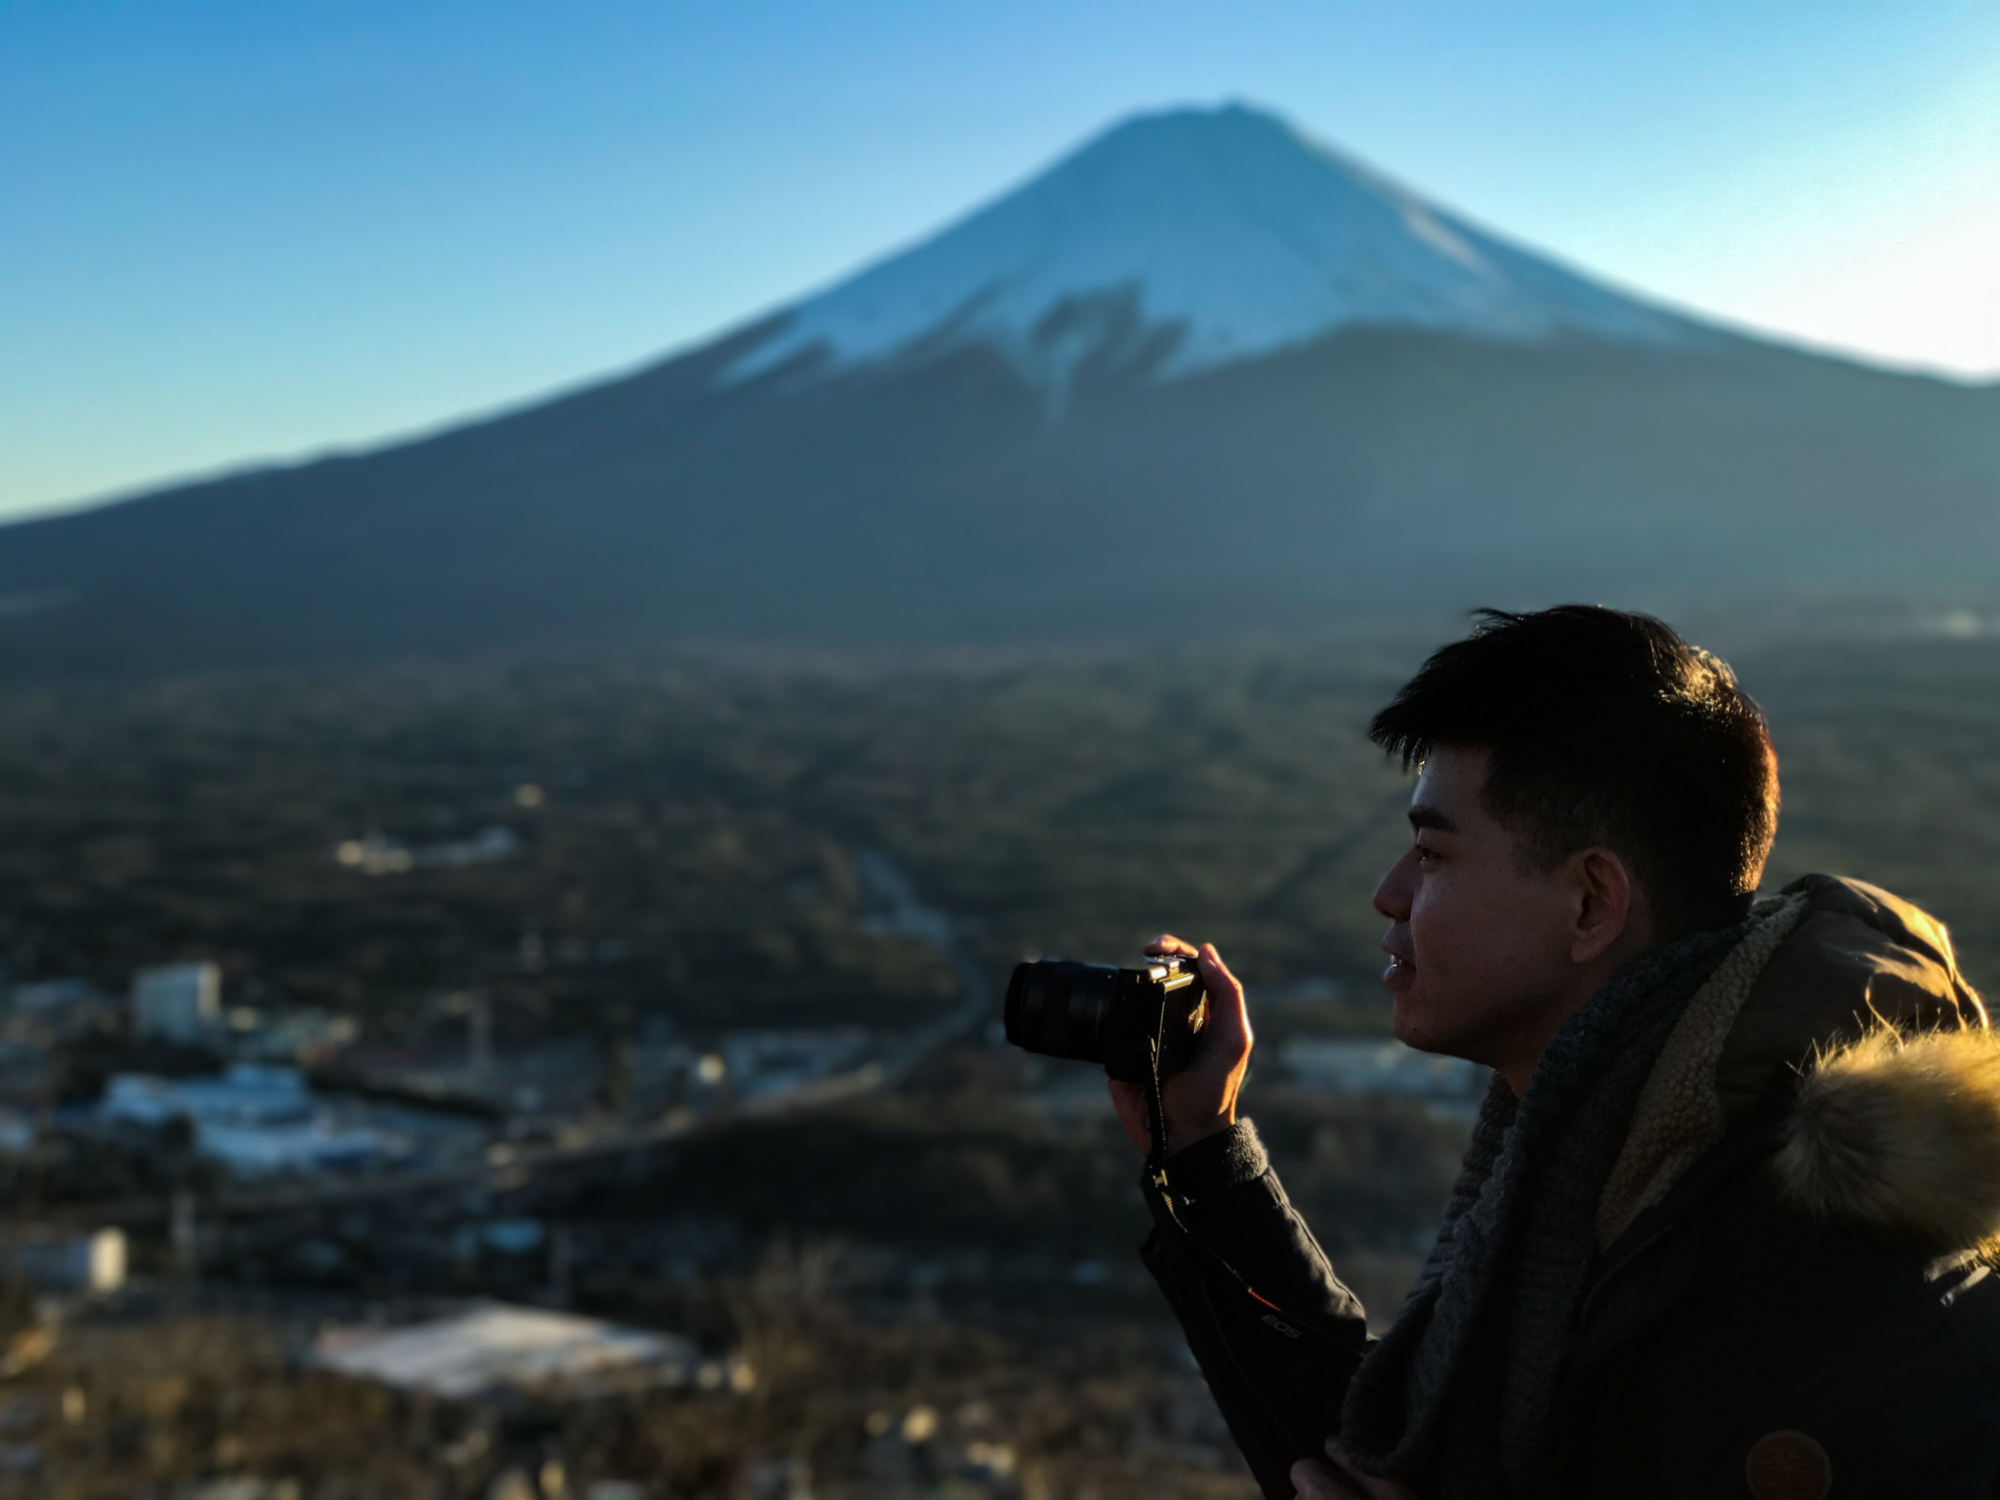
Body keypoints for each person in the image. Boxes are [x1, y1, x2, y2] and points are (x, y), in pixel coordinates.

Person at [1112, 606, 2000, 1500]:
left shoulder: (1813, 1298)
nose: (1388, 894)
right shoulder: (1621, 1174)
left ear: (1590, 904)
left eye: (1432, 852)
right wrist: (1198, 1151)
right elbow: (1370, 1460)